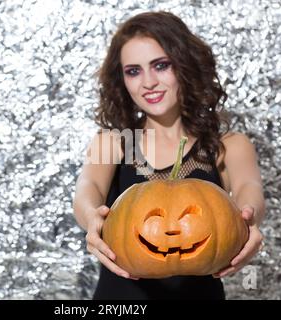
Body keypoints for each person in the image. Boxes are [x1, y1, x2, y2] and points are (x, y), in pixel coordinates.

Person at [72, 11, 265, 299]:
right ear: (121, 80)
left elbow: (250, 190)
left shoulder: (229, 145)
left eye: (161, 65)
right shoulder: (112, 142)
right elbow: (88, 188)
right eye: (133, 71)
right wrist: (91, 218)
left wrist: (249, 221)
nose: (147, 82)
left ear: (185, 66)